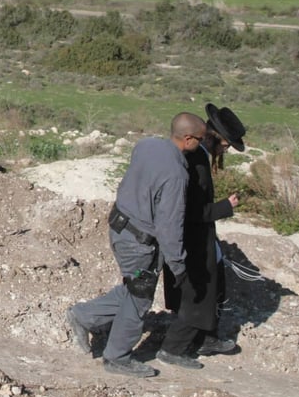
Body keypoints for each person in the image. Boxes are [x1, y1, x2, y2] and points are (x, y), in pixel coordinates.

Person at [67, 112, 204, 377]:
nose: (201, 144)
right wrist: (178, 265)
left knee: (133, 287)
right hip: (139, 242)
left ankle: (83, 316)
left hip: (120, 225)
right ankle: (117, 357)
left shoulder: (148, 144)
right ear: (188, 139)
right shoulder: (177, 175)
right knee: (140, 296)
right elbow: (169, 226)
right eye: (200, 139)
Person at [159, 103, 246, 366]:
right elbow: (188, 210)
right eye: (226, 144)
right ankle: (173, 348)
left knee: (213, 287)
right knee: (198, 294)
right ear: (211, 137)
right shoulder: (193, 161)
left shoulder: (197, 157)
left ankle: (206, 337)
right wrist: (224, 207)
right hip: (190, 238)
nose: (226, 149)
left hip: (200, 236)